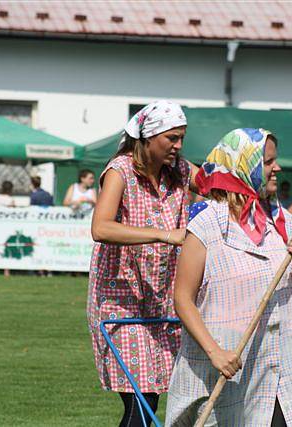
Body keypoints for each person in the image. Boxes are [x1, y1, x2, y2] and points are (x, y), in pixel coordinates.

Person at [166, 128, 292, 426]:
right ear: (243, 166)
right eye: (268, 161)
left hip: (281, 368)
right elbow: (182, 298)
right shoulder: (207, 223)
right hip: (227, 370)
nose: (278, 168)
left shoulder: (282, 220)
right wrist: (216, 352)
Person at [87, 101, 199, 427]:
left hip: (161, 303)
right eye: (172, 138)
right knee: (142, 402)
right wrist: (165, 235)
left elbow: (217, 185)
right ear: (148, 138)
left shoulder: (180, 171)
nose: (178, 146)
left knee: (149, 402)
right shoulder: (120, 171)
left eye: (182, 138)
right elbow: (101, 227)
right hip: (119, 301)